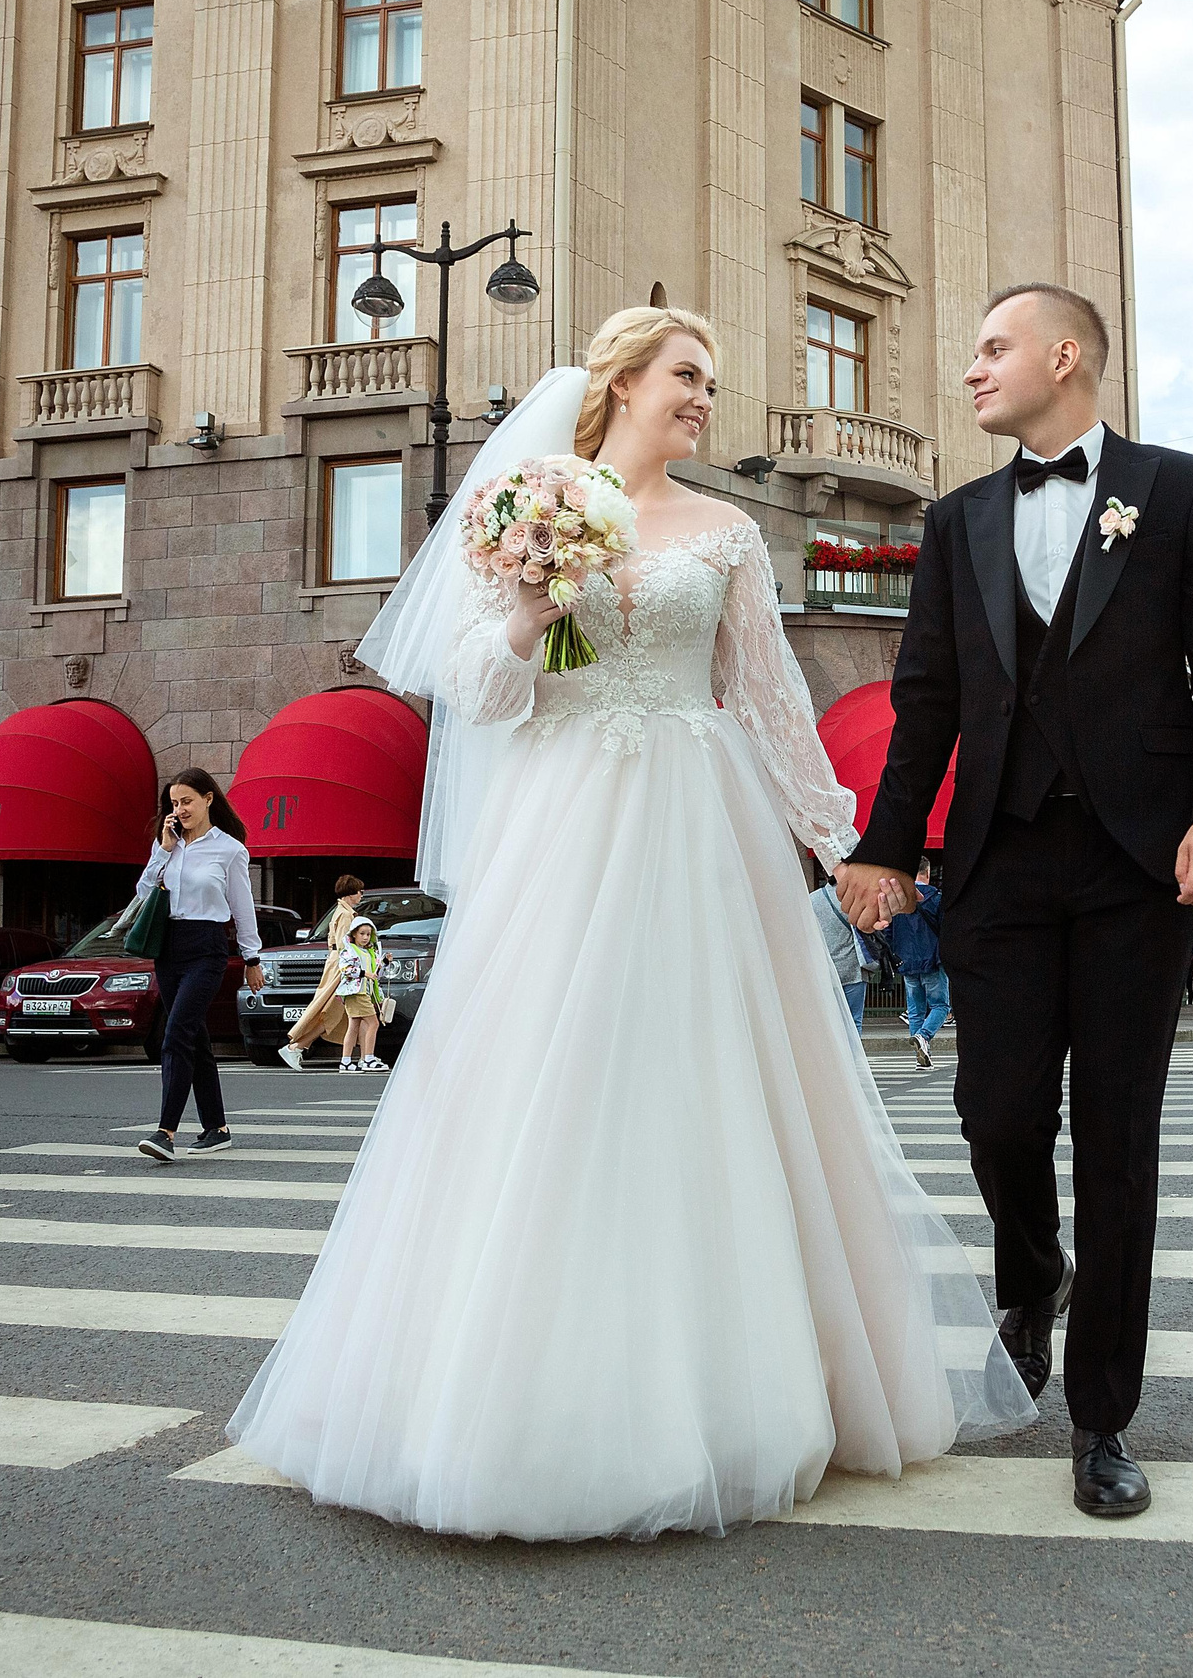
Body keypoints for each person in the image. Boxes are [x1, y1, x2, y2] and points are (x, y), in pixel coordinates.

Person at [226, 307, 1033, 1541]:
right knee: (546, 1083)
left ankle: (729, 1391)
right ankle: (505, 1402)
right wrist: (531, 598)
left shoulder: (726, 533)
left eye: (712, 380)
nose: (705, 398)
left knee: (703, 1089)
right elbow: (482, 697)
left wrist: (851, 848)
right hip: (560, 826)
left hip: (692, 822)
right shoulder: (532, 506)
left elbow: (768, 701)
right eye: (687, 376)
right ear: (619, 383)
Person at [835, 282, 1193, 1518]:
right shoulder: (957, 516)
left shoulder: (1175, 488)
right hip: (1000, 863)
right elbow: (924, 702)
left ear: (1062, 356)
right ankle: (1034, 1274)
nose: (971, 371)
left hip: (1139, 866)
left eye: (990, 349)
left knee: (1119, 1142)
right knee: (997, 1118)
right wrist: (884, 846)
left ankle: (1100, 1420)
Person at [131, 769, 266, 1162]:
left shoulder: (230, 850)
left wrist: (251, 958)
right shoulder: (169, 847)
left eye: (186, 801)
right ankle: (217, 1127)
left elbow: (242, 908)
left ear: (208, 799)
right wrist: (163, 848)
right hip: (168, 949)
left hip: (207, 948)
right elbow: (142, 893)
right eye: (174, 803)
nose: (180, 810)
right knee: (195, 1038)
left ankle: (165, 1132)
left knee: (176, 1034)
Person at [280, 874, 366, 1070]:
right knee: (334, 1011)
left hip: (337, 964)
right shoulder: (345, 915)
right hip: (342, 967)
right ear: (350, 893)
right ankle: (297, 1047)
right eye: (360, 891)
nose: (361, 895)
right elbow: (346, 946)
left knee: (347, 1012)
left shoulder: (340, 912)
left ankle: (363, 1056)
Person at [884, 861, 949, 1068]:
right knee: (940, 1005)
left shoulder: (899, 899)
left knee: (915, 1009)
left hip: (906, 960)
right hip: (931, 959)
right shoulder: (936, 898)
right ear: (927, 873)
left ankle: (920, 1054)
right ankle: (924, 1037)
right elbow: (946, 930)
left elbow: (887, 930)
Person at [330, 917, 387, 1073]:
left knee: (353, 1026)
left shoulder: (370, 952)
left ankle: (346, 1061)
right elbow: (345, 969)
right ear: (354, 934)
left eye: (368, 934)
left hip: (364, 992)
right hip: (356, 993)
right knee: (373, 1023)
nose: (365, 937)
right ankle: (368, 1058)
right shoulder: (349, 950)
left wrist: (384, 963)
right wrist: (364, 973)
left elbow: (376, 974)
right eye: (362, 933)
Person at [810, 880, 869, 1032]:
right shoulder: (855, 899)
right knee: (854, 1021)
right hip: (854, 968)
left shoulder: (812, 899)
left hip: (826, 969)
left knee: (829, 1022)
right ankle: (855, 1056)